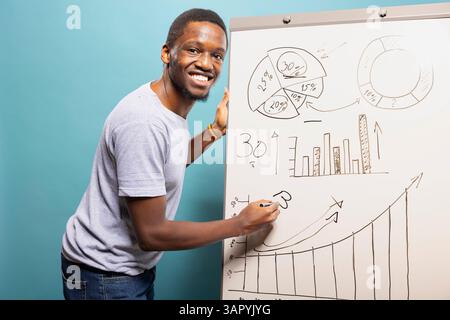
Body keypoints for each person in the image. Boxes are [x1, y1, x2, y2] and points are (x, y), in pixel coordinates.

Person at [61, 8, 280, 300]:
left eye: (217, 55)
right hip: (104, 275)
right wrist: (239, 225)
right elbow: (152, 234)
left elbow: (165, 163)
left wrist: (215, 129)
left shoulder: (167, 108)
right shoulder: (144, 121)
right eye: (193, 50)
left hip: (125, 270)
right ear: (167, 54)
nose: (206, 63)